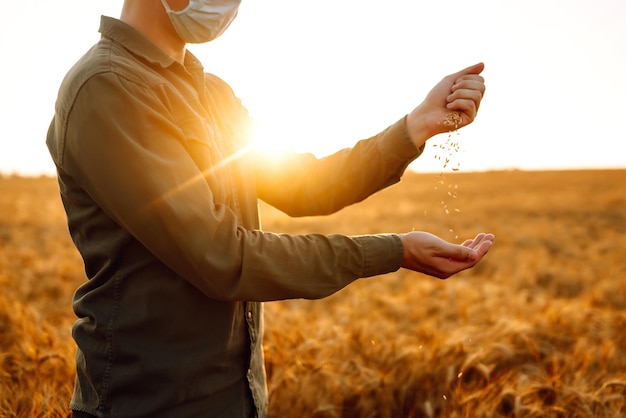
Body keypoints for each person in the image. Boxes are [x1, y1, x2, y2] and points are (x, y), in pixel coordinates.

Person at [46, 0, 493, 417]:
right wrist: (393, 251)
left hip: (237, 398)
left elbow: (303, 185)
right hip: (149, 402)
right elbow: (224, 257)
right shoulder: (107, 87)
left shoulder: (211, 92)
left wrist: (415, 126)